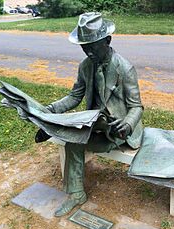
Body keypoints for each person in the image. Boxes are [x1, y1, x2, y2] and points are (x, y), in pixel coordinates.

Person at [42, 12, 143, 216]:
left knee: (74, 141)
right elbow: (74, 96)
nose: (87, 51)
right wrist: (51, 109)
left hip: (118, 131)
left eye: (92, 45)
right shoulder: (86, 66)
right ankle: (77, 194)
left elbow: (137, 106)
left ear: (107, 40)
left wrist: (128, 124)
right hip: (95, 124)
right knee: (72, 141)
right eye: (83, 46)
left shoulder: (124, 68)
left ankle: (77, 191)